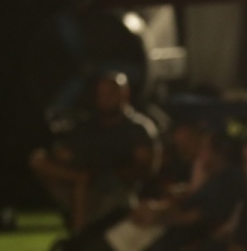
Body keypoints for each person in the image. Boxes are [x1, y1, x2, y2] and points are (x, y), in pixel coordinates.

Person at [28, 72, 159, 232]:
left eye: (111, 93)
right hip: (84, 183)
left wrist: (110, 173)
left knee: (83, 188)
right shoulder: (89, 126)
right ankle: (79, 235)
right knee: (43, 162)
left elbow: (146, 167)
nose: (106, 98)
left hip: (118, 188)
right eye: (102, 93)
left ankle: (79, 239)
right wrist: (80, 171)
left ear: (125, 94)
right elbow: (66, 155)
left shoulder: (137, 127)